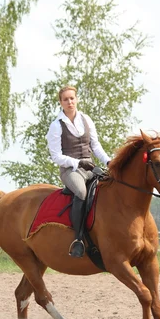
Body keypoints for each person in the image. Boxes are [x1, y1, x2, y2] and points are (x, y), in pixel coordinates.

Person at [46, 86, 111, 258]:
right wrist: (77, 162)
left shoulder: (86, 119)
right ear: (61, 102)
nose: (70, 102)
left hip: (90, 167)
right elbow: (56, 156)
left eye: (72, 98)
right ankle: (78, 238)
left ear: (77, 99)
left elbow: (96, 146)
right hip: (70, 170)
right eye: (66, 99)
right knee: (81, 191)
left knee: (111, 185)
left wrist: (109, 161)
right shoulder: (56, 126)